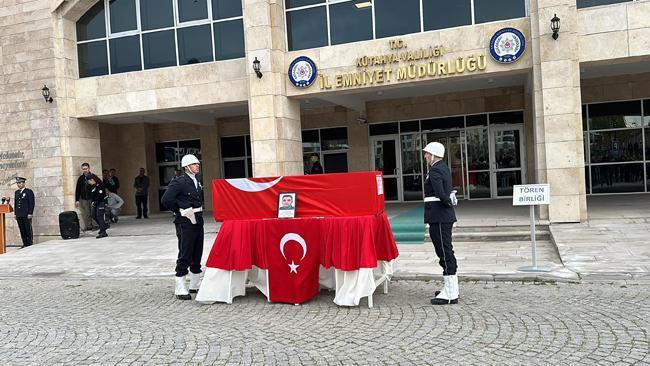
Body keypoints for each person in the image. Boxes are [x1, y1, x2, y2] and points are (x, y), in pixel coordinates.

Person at [161, 154, 204, 300]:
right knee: (185, 252)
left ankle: (195, 283)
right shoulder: (179, 182)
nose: (197, 166)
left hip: (197, 219)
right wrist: (179, 210)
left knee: (197, 251)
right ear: (187, 167)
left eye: (198, 164)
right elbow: (166, 199)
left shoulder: (196, 180)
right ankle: (180, 285)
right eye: (194, 164)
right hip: (185, 221)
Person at [423, 142, 459, 305]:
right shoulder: (443, 167)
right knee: (446, 250)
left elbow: (440, 193)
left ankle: (450, 293)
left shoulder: (435, 170)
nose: (425, 157)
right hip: (442, 215)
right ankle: (451, 287)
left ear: (433, 155)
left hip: (438, 215)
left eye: (427, 154)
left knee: (444, 252)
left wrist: (447, 203)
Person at [13, 177, 35, 248]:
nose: (18, 184)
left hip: (26, 214)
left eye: (20, 183)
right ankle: (25, 243)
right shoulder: (16, 192)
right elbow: (15, 203)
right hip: (19, 214)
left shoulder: (29, 191)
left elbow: (31, 203)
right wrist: (15, 214)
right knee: (22, 229)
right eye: (17, 183)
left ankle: (29, 243)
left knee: (27, 228)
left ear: (23, 183)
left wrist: (30, 213)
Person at [74, 162, 95, 231]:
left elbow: (96, 187)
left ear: (89, 168)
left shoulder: (93, 176)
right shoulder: (81, 178)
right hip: (84, 199)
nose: (85, 170)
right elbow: (78, 189)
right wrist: (77, 200)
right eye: (83, 169)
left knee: (93, 212)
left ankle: (95, 225)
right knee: (87, 213)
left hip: (92, 198)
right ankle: (89, 226)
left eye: (86, 169)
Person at [87, 174, 109, 239]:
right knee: (93, 215)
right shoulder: (93, 186)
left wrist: (95, 202)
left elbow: (100, 196)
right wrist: (93, 202)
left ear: (92, 180)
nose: (88, 182)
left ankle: (103, 231)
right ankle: (103, 226)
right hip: (95, 203)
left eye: (89, 181)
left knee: (100, 216)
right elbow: (92, 195)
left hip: (100, 203)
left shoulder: (100, 185)